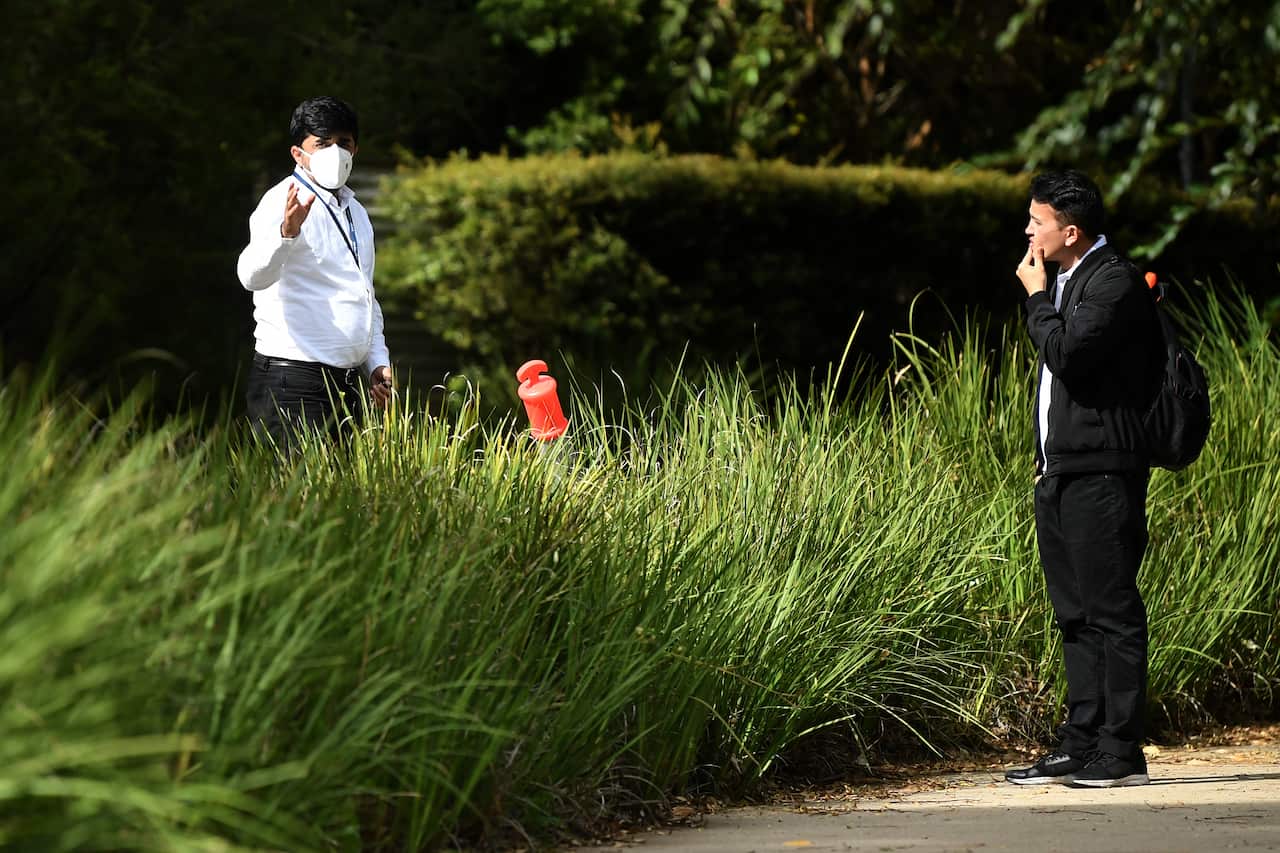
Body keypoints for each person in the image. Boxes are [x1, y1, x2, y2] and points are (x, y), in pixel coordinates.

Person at [1005, 170, 1161, 788]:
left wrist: (1036, 298)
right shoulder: (1071, 278)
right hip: (1061, 470)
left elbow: (1067, 355)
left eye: (1036, 220)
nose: (1027, 230)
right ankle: (1082, 743)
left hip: (1102, 470)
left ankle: (1121, 755)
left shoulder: (1112, 281)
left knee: (1112, 611)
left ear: (1069, 232)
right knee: (1074, 615)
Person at [237, 96, 392, 448]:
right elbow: (251, 276)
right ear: (298, 153)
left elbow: (363, 294)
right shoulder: (281, 201)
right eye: (322, 144)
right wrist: (286, 233)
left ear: (356, 149)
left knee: (343, 500)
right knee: (299, 497)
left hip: (347, 385)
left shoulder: (357, 213)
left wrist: (377, 363)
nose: (335, 153)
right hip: (292, 380)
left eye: (343, 143)